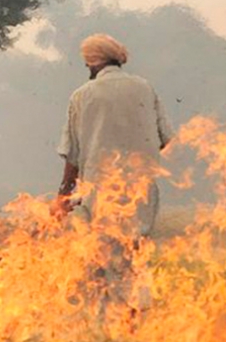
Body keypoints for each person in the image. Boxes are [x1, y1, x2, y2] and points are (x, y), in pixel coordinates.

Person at [55, 33, 174, 236]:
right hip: (141, 190)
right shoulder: (145, 88)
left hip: (99, 190)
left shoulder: (82, 95)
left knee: (100, 255)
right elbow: (165, 139)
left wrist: (63, 197)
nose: (87, 68)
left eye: (87, 63)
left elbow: (72, 155)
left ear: (93, 61)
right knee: (132, 254)